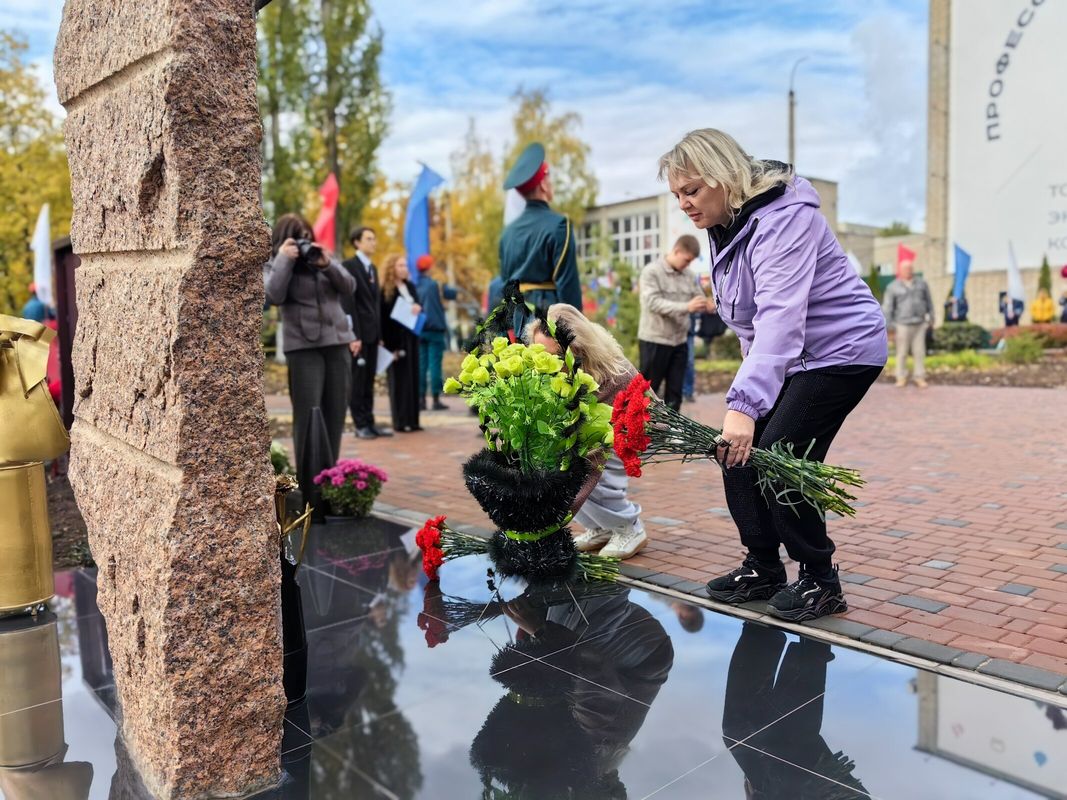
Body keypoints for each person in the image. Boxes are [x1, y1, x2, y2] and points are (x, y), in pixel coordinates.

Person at [659, 128, 887, 622]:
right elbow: (751, 323)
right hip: (794, 354)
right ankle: (762, 567)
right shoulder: (725, 224)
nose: (683, 204)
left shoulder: (783, 217)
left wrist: (744, 405)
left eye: (691, 190)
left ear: (723, 176)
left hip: (841, 350)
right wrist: (749, 401)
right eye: (676, 194)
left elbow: (781, 317)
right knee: (736, 452)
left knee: (781, 453)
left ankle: (821, 581)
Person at [527, 304, 647, 559]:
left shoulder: (612, 372)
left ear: (578, 348)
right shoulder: (551, 371)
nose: (546, 362)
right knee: (559, 469)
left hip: (626, 436)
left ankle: (629, 527)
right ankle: (601, 528)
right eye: (539, 353)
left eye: (555, 355)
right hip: (592, 437)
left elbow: (597, 450)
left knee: (591, 477)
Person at [264, 214, 356, 496]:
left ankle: (329, 484)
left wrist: (327, 264)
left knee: (335, 413)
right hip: (303, 348)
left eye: (306, 235)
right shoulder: (274, 262)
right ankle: (309, 490)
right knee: (308, 416)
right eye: (297, 237)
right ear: (283, 240)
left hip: (337, 343)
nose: (304, 241)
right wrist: (284, 259)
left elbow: (349, 286)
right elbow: (273, 295)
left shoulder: (321, 256)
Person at [498, 142, 582, 330]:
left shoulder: (507, 233)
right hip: (546, 321)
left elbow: (504, 284)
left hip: (515, 322)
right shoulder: (559, 226)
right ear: (543, 184)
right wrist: (579, 332)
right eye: (550, 177)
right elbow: (568, 289)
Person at [637, 235, 712, 411]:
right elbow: (652, 303)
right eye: (687, 260)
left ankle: (672, 428)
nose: (688, 265)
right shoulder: (651, 272)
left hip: (680, 342)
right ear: (677, 251)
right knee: (647, 393)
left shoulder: (690, 275)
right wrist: (687, 307)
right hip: (655, 341)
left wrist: (707, 304)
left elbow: (698, 296)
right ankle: (640, 427)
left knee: (675, 395)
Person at [341, 226, 392, 439]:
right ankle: (360, 424)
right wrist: (354, 335)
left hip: (372, 335)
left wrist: (379, 336)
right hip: (358, 336)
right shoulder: (349, 266)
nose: (373, 242)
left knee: (369, 381)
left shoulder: (372, 268)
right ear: (357, 242)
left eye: (374, 238)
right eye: (369, 239)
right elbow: (348, 302)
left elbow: (375, 305)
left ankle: (370, 422)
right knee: (358, 381)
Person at [379, 254, 422, 433]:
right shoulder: (385, 290)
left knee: (412, 378)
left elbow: (418, 305)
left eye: (405, 265)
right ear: (392, 268)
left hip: (411, 338)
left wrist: (418, 308)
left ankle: (413, 420)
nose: (404, 269)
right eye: (400, 265)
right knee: (399, 381)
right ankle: (400, 421)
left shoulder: (410, 287)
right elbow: (383, 318)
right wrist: (390, 346)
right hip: (395, 341)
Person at [414, 254, 458, 411]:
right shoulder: (436, 285)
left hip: (419, 329)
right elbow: (453, 294)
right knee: (434, 365)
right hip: (435, 329)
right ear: (430, 267)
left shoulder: (414, 286)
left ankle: (421, 400)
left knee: (421, 365)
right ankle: (435, 399)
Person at [882, 258, 933, 388]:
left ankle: (919, 377)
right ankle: (901, 377)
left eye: (910, 268)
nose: (909, 271)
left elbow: (929, 301)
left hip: (919, 323)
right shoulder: (892, 287)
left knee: (919, 352)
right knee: (902, 353)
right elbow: (888, 308)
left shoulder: (922, 284)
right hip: (902, 325)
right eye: (906, 268)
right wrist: (890, 327)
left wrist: (932, 318)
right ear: (900, 270)